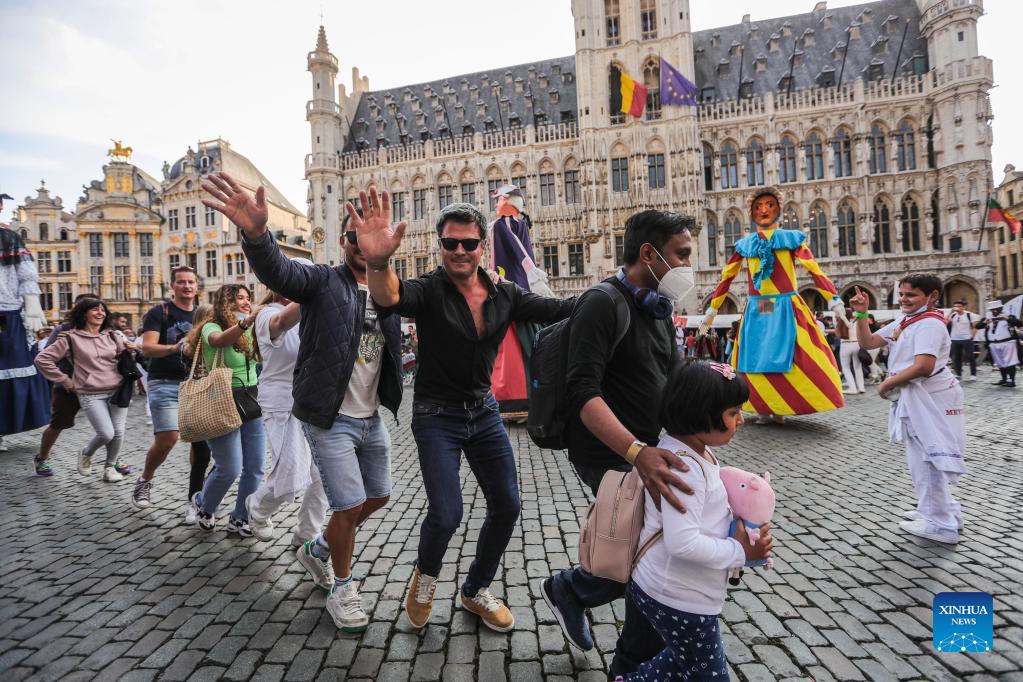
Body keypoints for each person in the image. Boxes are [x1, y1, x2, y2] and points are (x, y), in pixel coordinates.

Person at [351, 186, 574, 633]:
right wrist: (377, 262)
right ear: (439, 246)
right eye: (450, 243)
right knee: (447, 512)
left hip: (484, 412)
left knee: (507, 505)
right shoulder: (430, 290)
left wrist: (619, 294)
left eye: (468, 243)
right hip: (436, 415)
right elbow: (391, 297)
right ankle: (426, 576)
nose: (458, 250)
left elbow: (558, 308)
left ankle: (474, 590)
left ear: (482, 246)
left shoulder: (504, 293)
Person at [201, 173, 404, 634]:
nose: (361, 244)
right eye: (353, 237)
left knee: (378, 496)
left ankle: (316, 548)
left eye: (369, 238)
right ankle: (343, 586)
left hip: (371, 417)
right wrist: (256, 234)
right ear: (344, 241)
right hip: (326, 417)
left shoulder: (388, 289)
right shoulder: (322, 282)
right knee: (346, 503)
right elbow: (279, 272)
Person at [541, 210, 696, 677]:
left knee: (648, 558)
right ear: (648, 254)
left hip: (650, 450)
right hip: (610, 455)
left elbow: (675, 378)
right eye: (682, 255)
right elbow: (582, 393)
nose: (689, 265)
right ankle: (630, 666)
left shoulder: (657, 307)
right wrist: (636, 453)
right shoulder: (602, 303)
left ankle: (573, 591)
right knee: (655, 564)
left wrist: (719, 402)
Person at [615, 360, 773, 681]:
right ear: (701, 414)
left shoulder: (693, 450)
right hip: (679, 598)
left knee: (680, 661)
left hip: (676, 589)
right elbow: (682, 543)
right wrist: (740, 552)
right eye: (733, 413)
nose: (741, 419)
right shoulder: (683, 468)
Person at [701, 187, 844, 425]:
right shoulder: (745, 244)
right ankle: (763, 408)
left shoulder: (790, 238)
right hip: (758, 308)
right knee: (753, 359)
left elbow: (813, 267)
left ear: (778, 209)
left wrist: (833, 297)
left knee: (799, 355)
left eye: (769, 205)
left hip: (786, 305)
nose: (764, 210)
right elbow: (727, 275)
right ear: (751, 212)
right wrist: (712, 309)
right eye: (758, 207)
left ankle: (782, 406)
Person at [851, 276, 965, 544]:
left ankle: (941, 525)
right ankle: (939, 511)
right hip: (919, 396)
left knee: (928, 459)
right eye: (901, 294)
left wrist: (886, 384)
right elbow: (868, 342)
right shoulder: (907, 321)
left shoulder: (928, 324)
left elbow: (924, 365)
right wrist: (861, 313)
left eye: (910, 295)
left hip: (930, 396)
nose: (903, 299)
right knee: (923, 457)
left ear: (932, 296)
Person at [244, 277, 329, 551]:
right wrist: (315, 291)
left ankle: (307, 533)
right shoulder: (267, 313)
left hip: (315, 400)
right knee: (291, 473)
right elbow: (281, 323)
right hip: (281, 401)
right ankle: (257, 507)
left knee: (323, 474)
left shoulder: (314, 314)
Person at [187, 284, 264, 535]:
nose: (245, 302)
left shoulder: (252, 327)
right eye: (239, 298)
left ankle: (240, 517)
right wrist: (244, 324)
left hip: (251, 397)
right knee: (229, 468)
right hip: (222, 398)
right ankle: (204, 504)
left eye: (247, 298)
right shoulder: (212, 326)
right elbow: (219, 340)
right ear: (224, 302)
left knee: (255, 467)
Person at [34, 297, 135, 481]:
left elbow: (123, 355)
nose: (100, 313)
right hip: (82, 388)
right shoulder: (67, 334)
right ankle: (46, 457)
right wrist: (64, 380)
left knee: (117, 432)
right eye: (94, 309)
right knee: (97, 431)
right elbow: (43, 358)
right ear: (82, 312)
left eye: (102, 309)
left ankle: (110, 466)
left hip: (117, 389)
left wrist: (130, 349)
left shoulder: (112, 335)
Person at [132, 266, 199, 508]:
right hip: (164, 382)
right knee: (168, 437)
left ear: (196, 286)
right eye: (181, 282)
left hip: (195, 383)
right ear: (172, 285)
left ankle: (196, 494)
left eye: (191, 282)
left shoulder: (202, 314)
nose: (187, 286)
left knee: (199, 443)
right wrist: (175, 347)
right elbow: (147, 348)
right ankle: (145, 480)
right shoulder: (158, 312)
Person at [488, 183, 550, 416]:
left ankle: (511, 398)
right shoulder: (521, 223)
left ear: (508, 201)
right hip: (521, 289)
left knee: (509, 343)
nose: (495, 204)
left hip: (507, 290)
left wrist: (531, 271)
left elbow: (518, 250)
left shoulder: (502, 224)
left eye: (498, 200)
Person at [0, 205, 51, 452]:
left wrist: (32, 306)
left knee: (8, 366)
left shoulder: (9, 237)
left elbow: (26, 274)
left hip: (6, 312)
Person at [31, 293, 100, 475]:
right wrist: (64, 379)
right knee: (57, 424)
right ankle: (42, 458)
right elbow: (46, 356)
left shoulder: (103, 328)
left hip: (97, 386)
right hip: (69, 387)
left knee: (109, 427)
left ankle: (113, 460)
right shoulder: (64, 329)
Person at [981, 300, 1021, 387]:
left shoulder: (1008, 315)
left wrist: (1006, 319)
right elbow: (978, 326)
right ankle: (1004, 379)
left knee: (1010, 362)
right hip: (994, 343)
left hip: (1008, 342)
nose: (994, 311)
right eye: (992, 309)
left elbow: (1019, 323)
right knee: (999, 362)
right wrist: (984, 322)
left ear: (1001, 308)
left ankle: (1012, 380)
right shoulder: (988, 317)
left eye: (996, 309)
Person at [947, 300, 978, 382]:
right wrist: (951, 312)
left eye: (959, 306)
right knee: (956, 358)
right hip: (955, 339)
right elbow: (945, 321)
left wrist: (972, 337)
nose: (957, 308)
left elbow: (975, 326)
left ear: (963, 307)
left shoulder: (969, 315)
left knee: (970, 357)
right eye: (955, 306)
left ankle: (973, 375)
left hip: (967, 338)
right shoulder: (953, 315)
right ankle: (958, 374)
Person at [837, 308, 865, 394]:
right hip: (856, 344)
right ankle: (861, 387)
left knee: (846, 368)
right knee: (858, 367)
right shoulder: (856, 322)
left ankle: (852, 388)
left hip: (845, 345)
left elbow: (838, 335)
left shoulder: (840, 323)